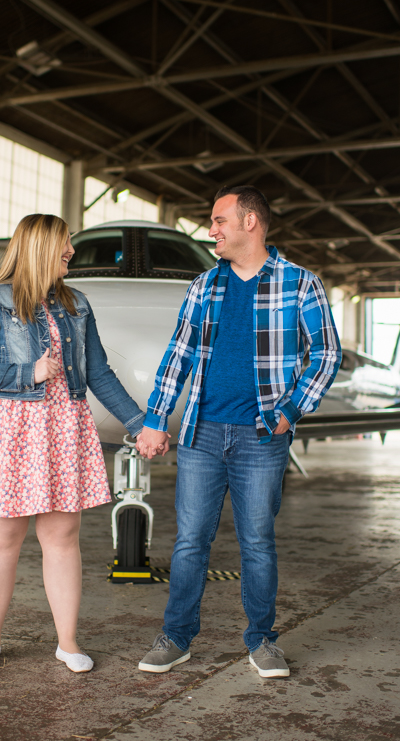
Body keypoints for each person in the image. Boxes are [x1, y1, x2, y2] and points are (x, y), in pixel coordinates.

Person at [134, 186, 341, 678]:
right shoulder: (204, 285)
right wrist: (155, 418)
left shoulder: (299, 284)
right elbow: (178, 355)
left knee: (257, 543)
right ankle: (177, 637)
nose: (212, 231)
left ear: (251, 222)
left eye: (219, 220)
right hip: (202, 432)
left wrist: (291, 411)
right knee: (189, 543)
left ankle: (263, 641)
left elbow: (328, 354)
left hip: (263, 436)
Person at [0, 214, 145, 674]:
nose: (71, 252)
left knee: (62, 537)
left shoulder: (78, 304)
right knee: (2, 538)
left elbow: (98, 373)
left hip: (62, 428)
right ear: (39, 246)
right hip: (8, 429)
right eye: (65, 244)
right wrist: (26, 374)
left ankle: (68, 642)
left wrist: (140, 422)